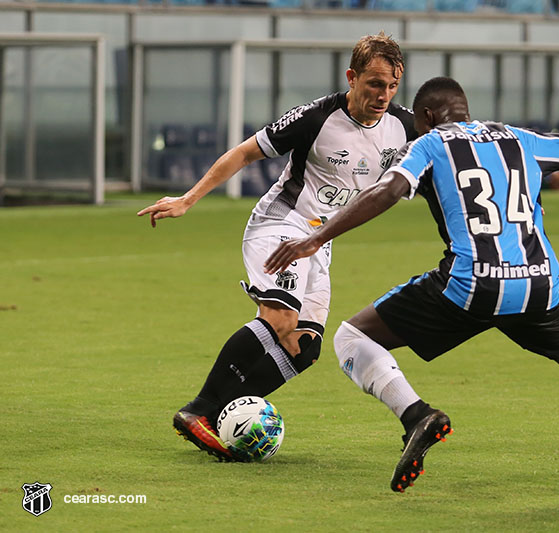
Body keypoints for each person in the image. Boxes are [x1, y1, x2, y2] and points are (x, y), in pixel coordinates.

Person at [264, 77, 559, 495]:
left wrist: (315, 238)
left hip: (471, 286)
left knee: (351, 337)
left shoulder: (429, 144)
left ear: (427, 117)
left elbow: (388, 190)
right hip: (538, 285)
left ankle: (416, 416)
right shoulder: (522, 138)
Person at [137, 32, 416, 462]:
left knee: (303, 346)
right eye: (375, 83)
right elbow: (244, 153)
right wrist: (187, 200)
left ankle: (225, 415)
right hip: (280, 226)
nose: (384, 95)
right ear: (352, 76)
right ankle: (198, 411)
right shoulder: (316, 117)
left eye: (392, 85)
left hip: (319, 242)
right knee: (281, 317)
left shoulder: (402, 125)